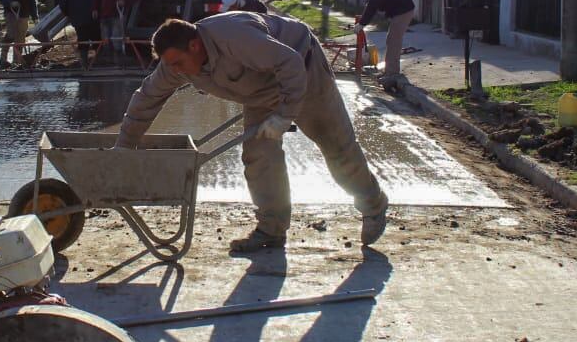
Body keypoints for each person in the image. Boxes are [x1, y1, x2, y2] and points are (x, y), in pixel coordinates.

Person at [115, 14, 389, 253]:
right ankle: (272, 229)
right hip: (259, 89)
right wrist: (123, 148)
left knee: (336, 146)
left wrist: (284, 115)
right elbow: (146, 99)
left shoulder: (235, 38)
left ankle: (373, 204)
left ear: (194, 45)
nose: (175, 71)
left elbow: (290, 63)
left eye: (178, 63)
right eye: (170, 65)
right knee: (259, 156)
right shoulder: (176, 63)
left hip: (303, 67)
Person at [354, 0, 416, 86]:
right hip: (400, 10)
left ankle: (392, 74)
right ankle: (388, 71)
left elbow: (372, 5)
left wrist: (362, 23)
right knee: (391, 40)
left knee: (393, 40)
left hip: (404, 10)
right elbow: (373, 4)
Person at [0, 0, 39, 68]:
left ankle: (17, 61)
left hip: (24, 15)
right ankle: (3, 59)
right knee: (11, 34)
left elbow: (32, 2)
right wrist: (11, 2)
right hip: (11, 14)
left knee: (20, 38)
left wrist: (35, 16)